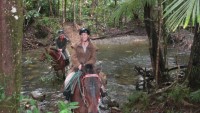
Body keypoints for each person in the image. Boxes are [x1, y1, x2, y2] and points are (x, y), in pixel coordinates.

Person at [63, 28, 98, 101]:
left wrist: (87, 64)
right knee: (68, 80)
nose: (83, 36)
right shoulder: (76, 45)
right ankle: (67, 98)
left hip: (89, 68)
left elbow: (93, 58)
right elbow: (73, 57)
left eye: (84, 34)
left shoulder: (93, 47)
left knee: (100, 78)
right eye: (81, 35)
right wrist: (78, 65)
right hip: (77, 68)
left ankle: (102, 96)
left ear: (88, 35)